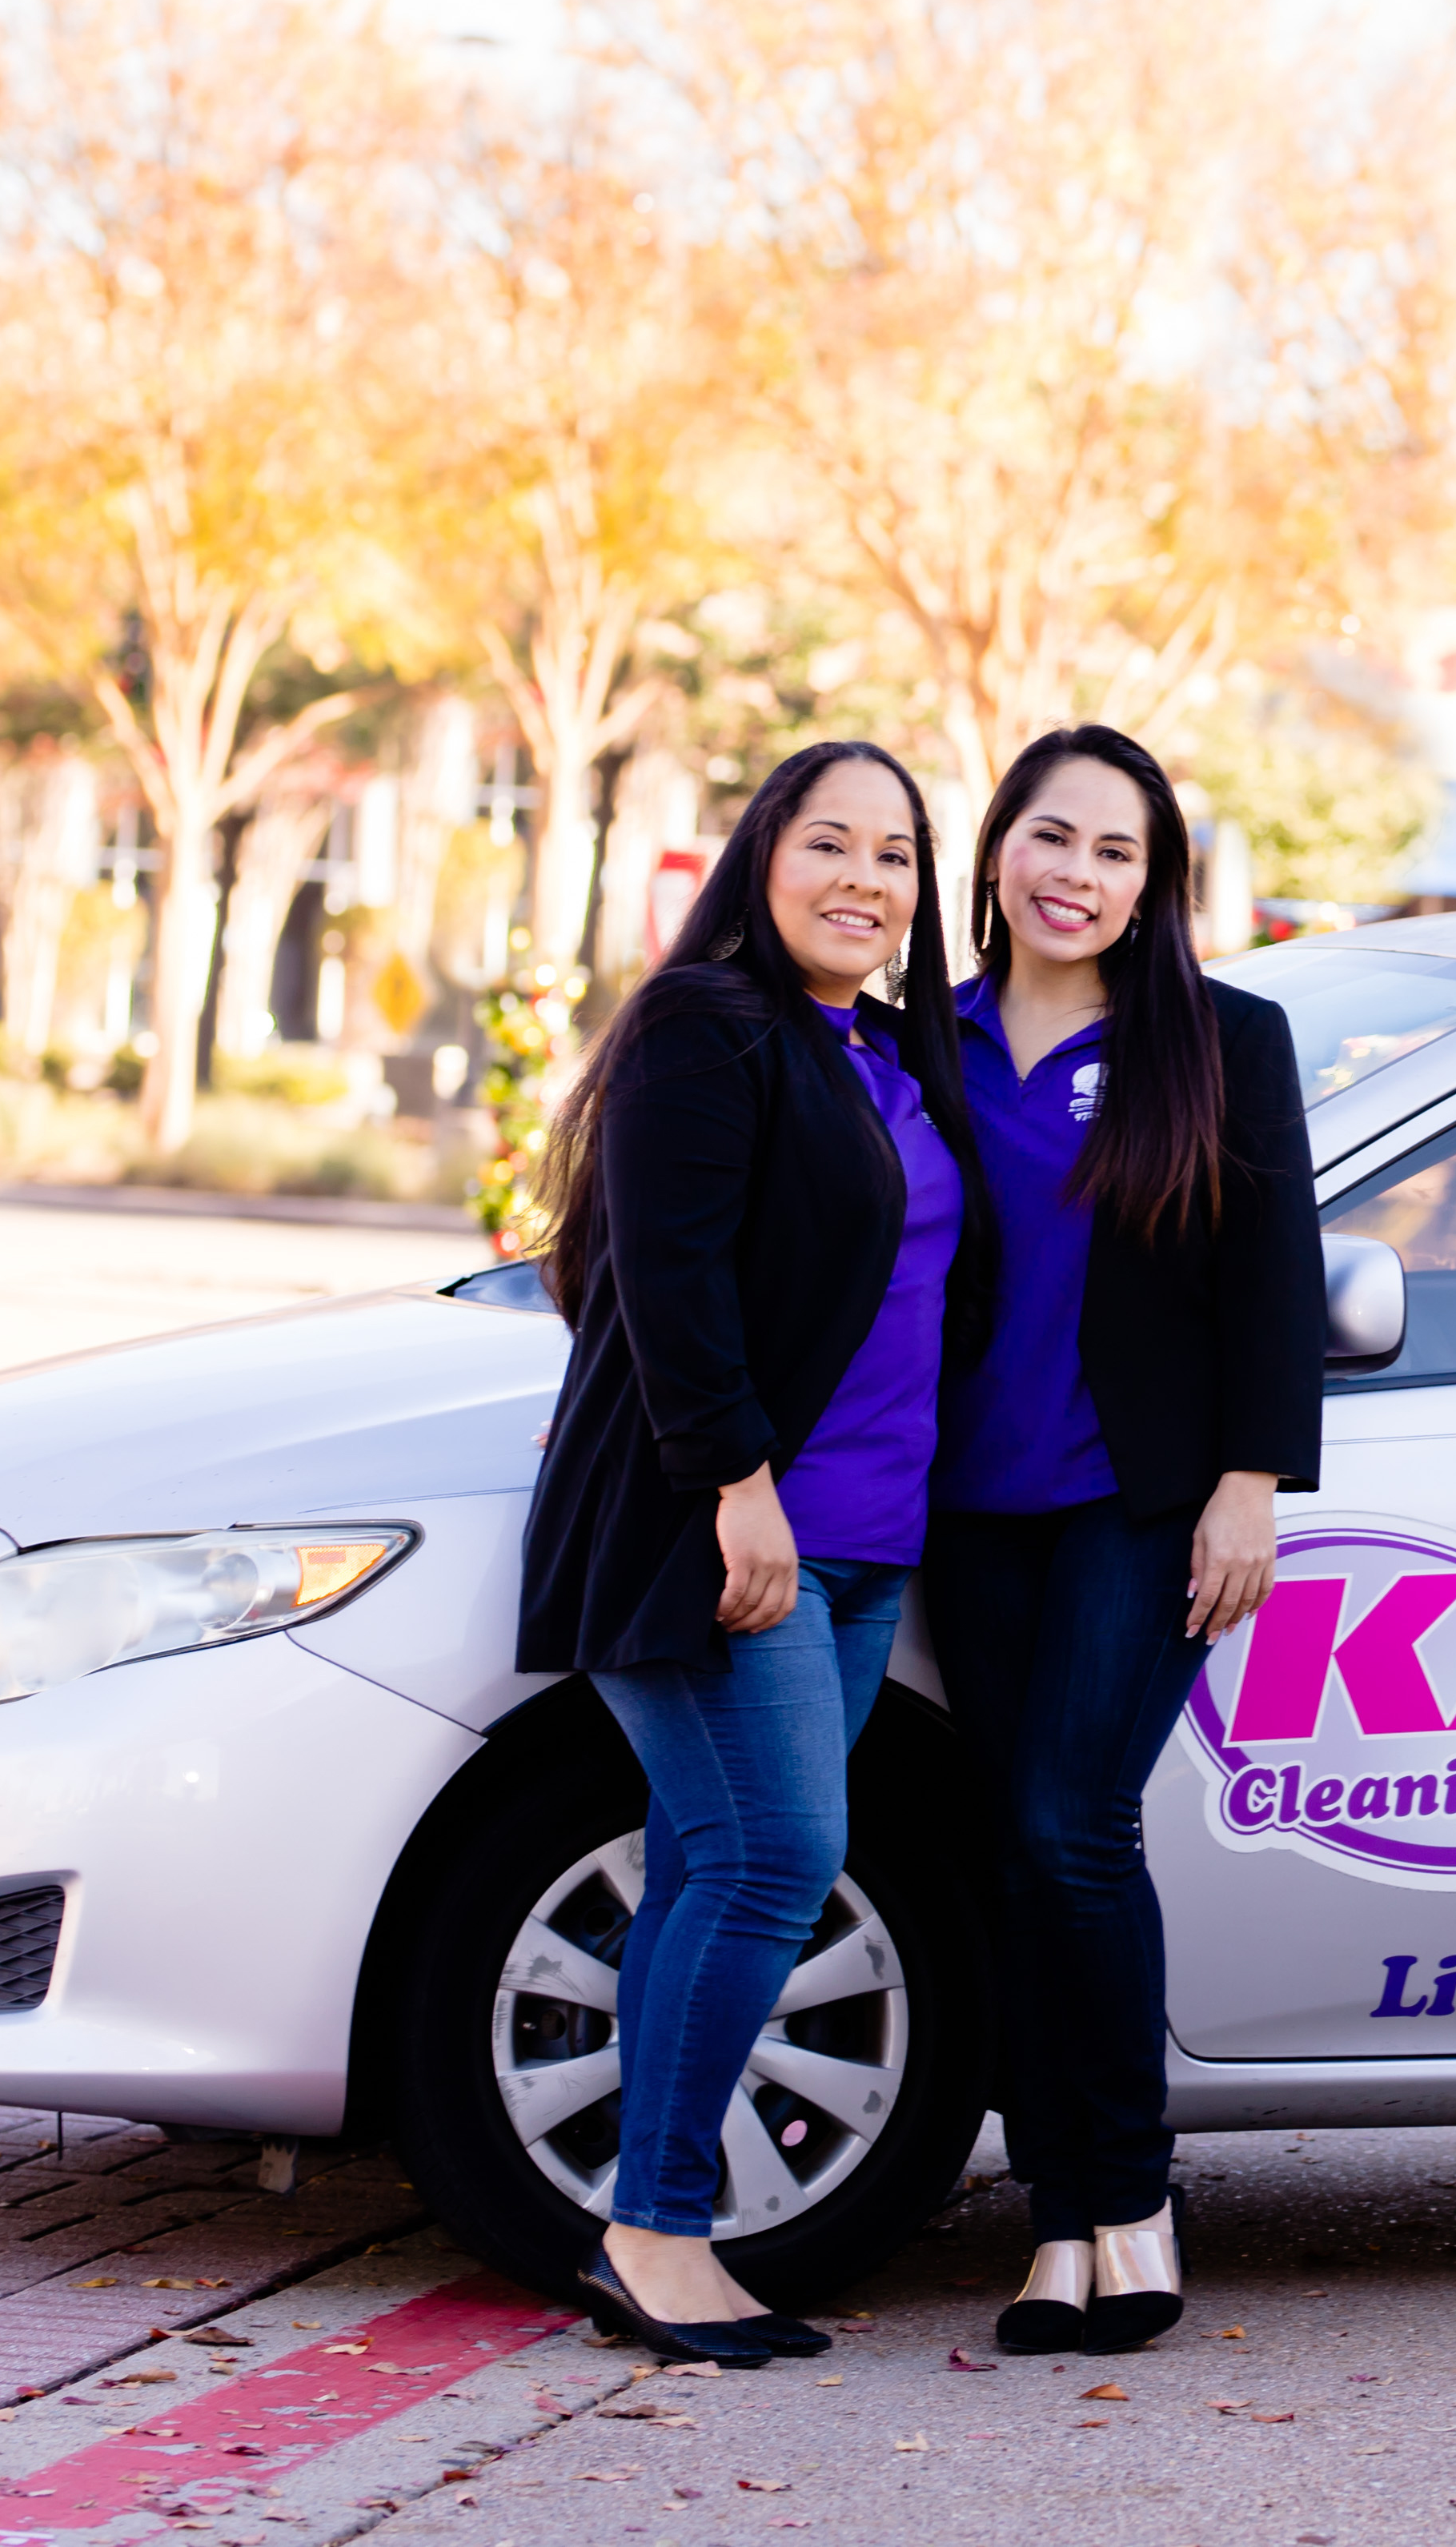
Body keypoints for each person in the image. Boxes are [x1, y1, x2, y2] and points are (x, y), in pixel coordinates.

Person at [511, 740, 992, 2367]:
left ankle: (646, 2224)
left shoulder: (878, 1052)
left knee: (718, 1865)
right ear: (760, 855)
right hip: (724, 1537)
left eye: (897, 856)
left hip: (861, 1544)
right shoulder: (704, 1024)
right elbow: (668, 1270)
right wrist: (735, 1484)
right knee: (779, 1857)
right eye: (829, 844)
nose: (865, 880)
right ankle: (656, 2230)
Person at [929, 725, 1322, 2360]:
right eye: (1050, 835)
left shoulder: (1222, 1040)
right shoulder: (918, 1039)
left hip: (1137, 1500)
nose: (1074, 874)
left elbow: (1272, 1276)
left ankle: (1124, 2200)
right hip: (960, 1504)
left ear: (1154, 883)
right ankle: (1059, 2222)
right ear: (998, 847)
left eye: (1114, 851)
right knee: (1014, 1847)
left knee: (1068, 1819)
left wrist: (1252, 1477)